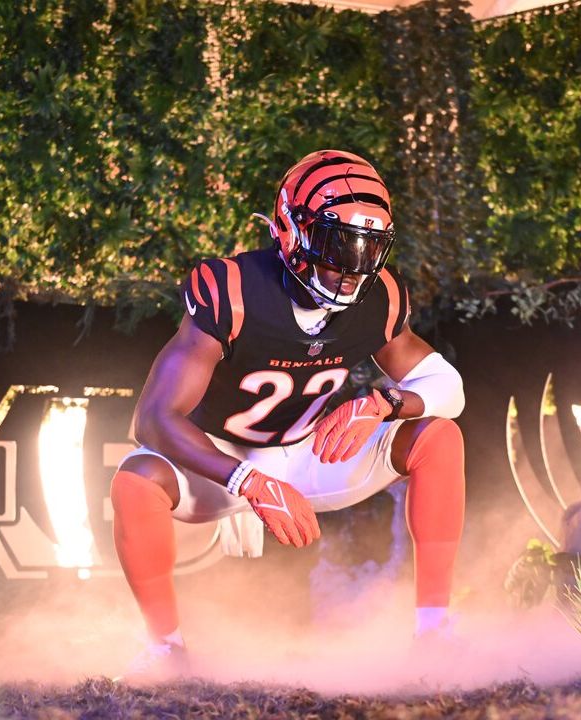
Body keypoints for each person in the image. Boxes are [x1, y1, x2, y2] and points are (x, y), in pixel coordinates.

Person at [110, 149, 466, 680]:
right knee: (135, 481)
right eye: (335, 243)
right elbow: (154, 420)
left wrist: (383, 402)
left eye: (367, 248)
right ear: (288, 229)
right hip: (220, 460)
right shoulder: (232, 288)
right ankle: (166, 652)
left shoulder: (380, 296)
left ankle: (435, 631)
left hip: (308, 453)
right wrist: (246, 478)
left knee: (439, 437)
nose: (351, 267)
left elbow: (447, 387)